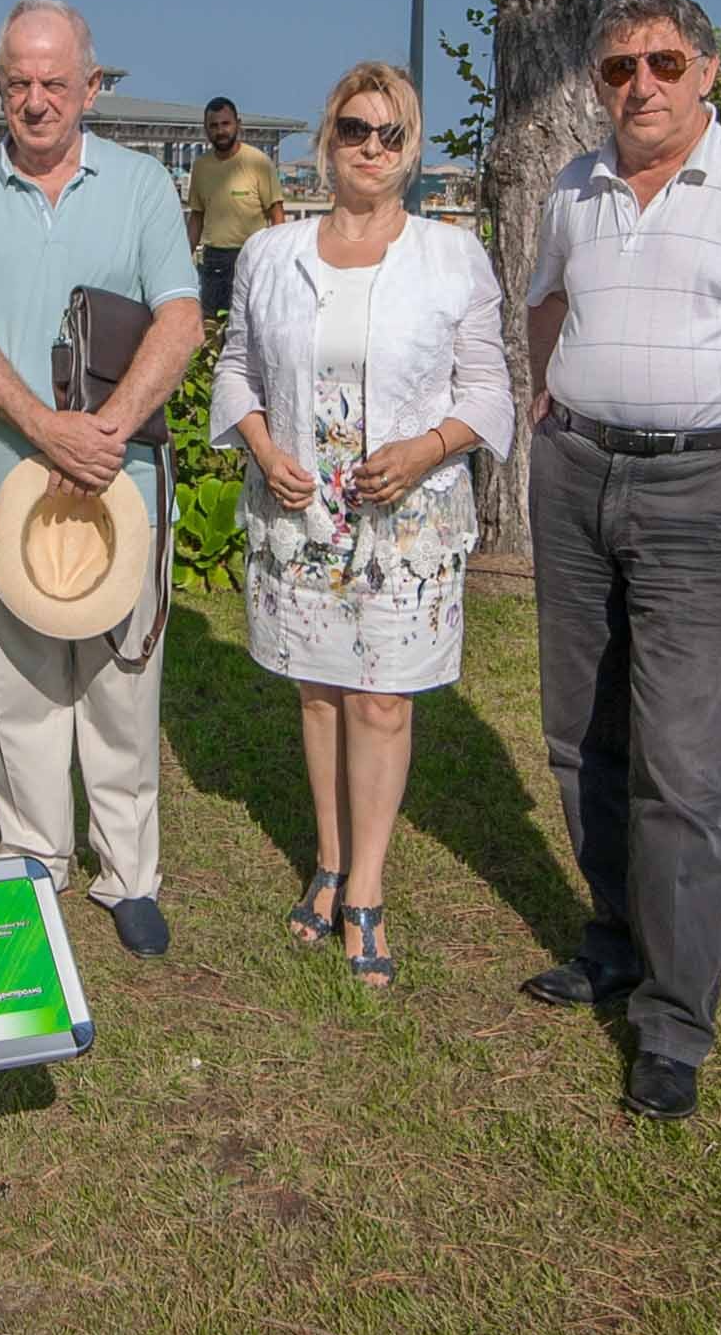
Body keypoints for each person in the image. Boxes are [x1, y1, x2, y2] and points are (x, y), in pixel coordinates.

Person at [520, 0, 721, 1121]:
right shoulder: (575, 186)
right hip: (577, 478)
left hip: (706, 488)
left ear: (706, 70)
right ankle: (613, 936)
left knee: (683, 762)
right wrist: (546, 410)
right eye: (618, 69)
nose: (640, 86)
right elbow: (548, 304)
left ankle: (672, 1020)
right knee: (580, 734)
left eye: (662, 63)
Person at [208, 61, 512, 986]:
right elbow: (236, 369)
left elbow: (490, 391)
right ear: (325, 139)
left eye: (390, 134)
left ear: (412, 148)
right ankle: (329, 862)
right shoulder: (271, 255)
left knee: (382, 699)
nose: (371, 149)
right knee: (319, 691)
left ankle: (368, 890)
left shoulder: (452, 255)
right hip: (303, 517)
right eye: (354, 129)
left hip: (405, 525)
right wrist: (262, 450)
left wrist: (426, 450)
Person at [0, 0, 203, 957]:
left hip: (122, 482)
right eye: (18, 82)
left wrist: (108, 429)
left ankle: (129, 874)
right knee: (25, 686)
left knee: (124, 685)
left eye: (55, 81)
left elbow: (181, 319)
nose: (36, 100)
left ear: (92, 85)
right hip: (9, 481)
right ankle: (35, 860)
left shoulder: (142, 189)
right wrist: (48, 430)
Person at [186, 95, 285, 318]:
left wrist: (276, 260)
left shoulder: (258, 162)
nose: (220, 131)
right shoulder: (201, 166)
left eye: (225, 124)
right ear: (206, 129)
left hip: (251, 257)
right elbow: (196, 218)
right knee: (212, 327)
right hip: (213, 262)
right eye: (214, 125)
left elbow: (277, 215)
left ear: (237, 124)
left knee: (250, 323)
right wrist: (183, 261)